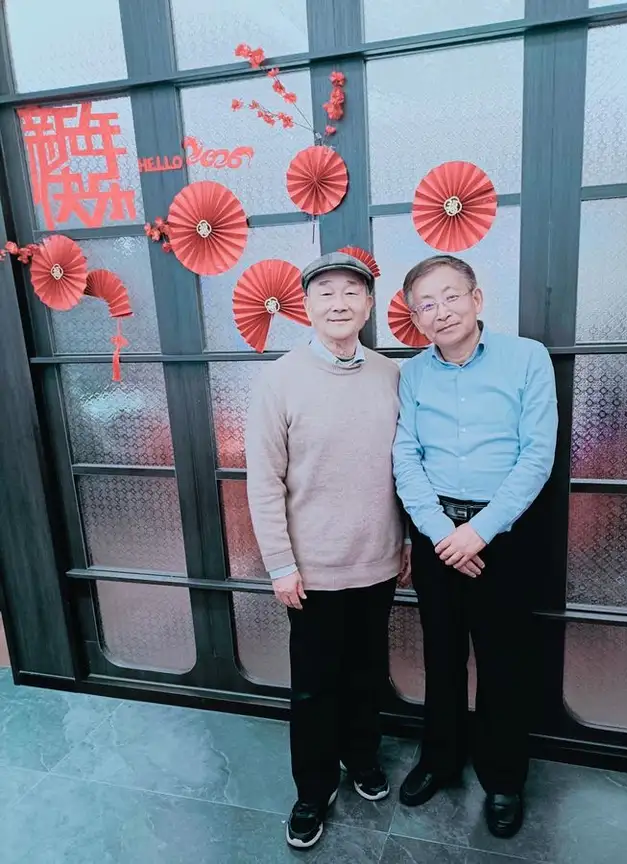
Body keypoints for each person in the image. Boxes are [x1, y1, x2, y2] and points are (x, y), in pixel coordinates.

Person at [246, 251, 411, 850]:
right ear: (306, 305)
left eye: (351, 292)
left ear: (368, 305)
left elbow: (406, 465)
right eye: (325, 293)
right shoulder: (280, 379)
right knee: (314, 687)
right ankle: (313, 790)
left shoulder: (391, 374)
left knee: (367, 672)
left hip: (378, 560)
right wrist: (280, 564)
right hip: (311, 569)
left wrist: (404, 540)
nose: (338, 303)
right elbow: (264, 480)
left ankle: (361, 758)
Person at [393, 254, 558, 839]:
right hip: (436, 533)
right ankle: (439, 759)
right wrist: (442, 533)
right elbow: (405, 457)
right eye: (426, 305)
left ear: (477, 298)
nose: (440, 312)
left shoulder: (528, 358)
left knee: (503, 661)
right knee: (440, 656)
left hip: (504, 536)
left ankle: (504, 778)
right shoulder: (412, 374)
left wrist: (480, 531)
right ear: (416, 318)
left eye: (450, 296)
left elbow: (537, 456)